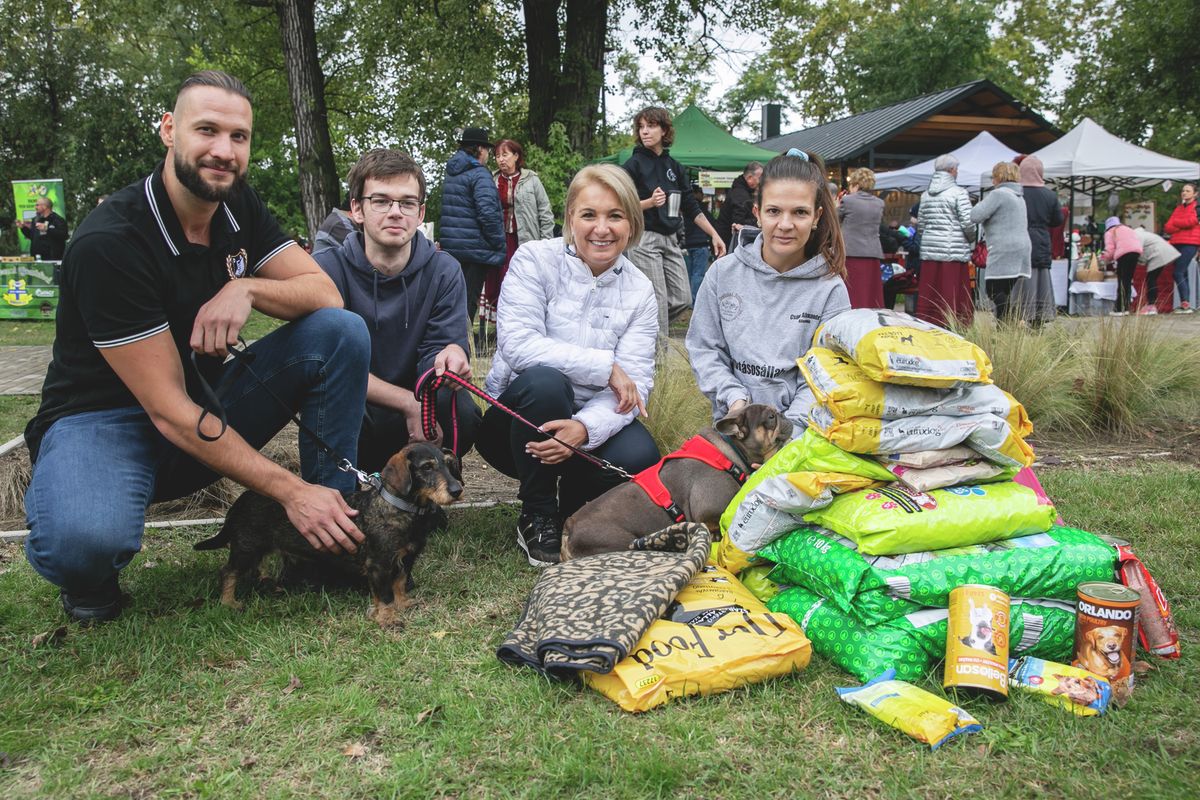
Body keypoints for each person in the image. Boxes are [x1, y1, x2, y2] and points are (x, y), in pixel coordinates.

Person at [22, 70, 371, 624]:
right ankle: (87, 579)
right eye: (206, 130)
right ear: (169, 130)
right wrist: (288, 489)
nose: (223, 151)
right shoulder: (110, 242)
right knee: (82, 541)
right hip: (104, 419)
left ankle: (326, 538)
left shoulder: (238, 207)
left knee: (340, 332)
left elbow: (326, 295)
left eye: (239, 137)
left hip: (204, 402)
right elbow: (168, 411)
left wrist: (247, 287)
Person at [475, 164, 660, 567]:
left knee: (641, 454)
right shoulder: (534, 260)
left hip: (584, 432)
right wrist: (606, 368)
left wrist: (585, 428)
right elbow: (519, 345)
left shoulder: (641, 291)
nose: (602, 228)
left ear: (632, 222)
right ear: (570, 218)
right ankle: (537, 511)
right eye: (589, 214)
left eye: (615, 215)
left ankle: (574, 510)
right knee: (545, 382)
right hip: (515, 424)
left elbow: (635, 388)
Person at [313, 149, 480, 471]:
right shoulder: (325, 269)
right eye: (381, 201)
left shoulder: (445, 270)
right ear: (357, 209)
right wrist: (405, 404)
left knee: (460, 403)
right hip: (356, 403)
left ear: (420, 214)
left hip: (420, 400)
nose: (395, 212)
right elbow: (327, 365)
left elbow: (441, 344)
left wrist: (450, 355)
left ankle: (430, 488)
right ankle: (342, 489)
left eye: (407, 203)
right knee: (329, 394)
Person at [686, 149, 851, 433]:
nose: (785, 225)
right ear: (757, 214)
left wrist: (784, 434)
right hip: (734, 425)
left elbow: (827, 373)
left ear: (816, 216)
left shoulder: (830, 289)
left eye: (799, 212)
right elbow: (705, 348)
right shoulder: (722, 274)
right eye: (774, 211)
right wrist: (735, 401)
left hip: (800, 433)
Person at [622, 107, 726, 336]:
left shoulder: (675, 167)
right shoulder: (633, 164)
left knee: (682, 298)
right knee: (657, 301)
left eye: (650, 126)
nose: (644, 132)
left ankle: (638, 326)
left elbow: (691, 207)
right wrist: (649, 202)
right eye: (641, 127)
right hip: (644, 239)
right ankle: (659, 366)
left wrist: (714, 235)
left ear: (664, 130)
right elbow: (619, 205)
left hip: (671, 240)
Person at [439, 126, 505, 324]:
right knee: (468, 301)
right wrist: (498, 243)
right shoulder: (479, 174)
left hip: (453, 248)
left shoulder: (453, 173)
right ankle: (462, 346)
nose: (487, 155)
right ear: (478, 149)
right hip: (476, 249)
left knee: (453, 299)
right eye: (486, 149)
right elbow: (488, 213)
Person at [484, 139, 554, 325]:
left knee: (525, 280)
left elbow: (545, 213)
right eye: (497, 156)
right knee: (501, 281)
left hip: (526, 240)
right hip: (499, 242)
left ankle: (524, 323)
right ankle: (501, 327)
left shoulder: (532, 180)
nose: (500, 159)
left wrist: (545, 244)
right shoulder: (491, 180)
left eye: (505, 155)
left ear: (516, 156)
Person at [916, 154, 976, 326]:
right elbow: (967, 222)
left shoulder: (926, 195)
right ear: (951, 170)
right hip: (953, 252)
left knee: (931, 293)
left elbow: (921, 225)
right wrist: (970, 240)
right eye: (956, 169)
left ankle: (928, 323)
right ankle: (955, 325)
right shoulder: (959, 193)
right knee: (953, 295)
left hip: (930, 251)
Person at [970, 162, 1031, 322]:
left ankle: (1005, 323)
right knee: (1006, 289)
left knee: (993, 289)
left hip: (1004, 247)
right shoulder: (1019, 196)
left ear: (999, 177)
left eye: (993, 176)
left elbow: (975, 215)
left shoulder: (999, 194)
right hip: (1022, 247)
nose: (992, 180)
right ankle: (1007, 323)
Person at [1017, 155, 1064, 324]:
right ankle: (1039, 316)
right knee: (1040, 279)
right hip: (1041, 239)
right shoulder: (1049, 195)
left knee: (1019, 278)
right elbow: (1058, 220)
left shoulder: (1016, 193)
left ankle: (1017, 314)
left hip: (1019, 237)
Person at [838, 167, 885, 308]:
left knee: (853, 293)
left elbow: (834, 219)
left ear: (856, 184)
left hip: (851, 252)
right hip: (872, 252)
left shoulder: (848, 201)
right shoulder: (879, 203)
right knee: (870, 293)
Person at [1163, 182, 1197, 313]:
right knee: (1183, 273)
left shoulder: (1197, 207)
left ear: (1195, 193)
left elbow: (1193, 221)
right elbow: (1168, 227)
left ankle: (1185, 303)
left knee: (1178, 272)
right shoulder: (1178, 208)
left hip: (1190, 243)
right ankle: (1186, 303)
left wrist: (1177, 223)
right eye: (1183, 190)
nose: (1184, 193)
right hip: (1176, 242)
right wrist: (1181, 225)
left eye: (1188, 191)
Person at [714, 161, 763, 248]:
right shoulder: (740, 194)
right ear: (750, 178)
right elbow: (739, 221)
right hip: (729, 241)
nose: (761, 182)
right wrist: (759, 221)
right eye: (760, 178)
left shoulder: (740, 190)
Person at [1101, 216, 1142, 315]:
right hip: (1136, 252)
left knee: (1122, 281)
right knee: (1128, 281)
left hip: (1124, 255)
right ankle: (1126, 308)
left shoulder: (1110, 232)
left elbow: (1110, 250)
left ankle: (1119, 309)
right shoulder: (1128, 229)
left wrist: (1103, 260)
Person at [1134, 227, 1180, 315]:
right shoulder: (1146, 234)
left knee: (1151, 279)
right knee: (1151, 278)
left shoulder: (1137, 236)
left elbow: (1138, 250)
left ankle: (1151, 305)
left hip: (1158, 255)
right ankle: (1151, 305)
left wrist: (1140, 262)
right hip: (1166, 253)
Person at [682, 185, 717, 300]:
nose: (702, 196)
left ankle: (688, 299)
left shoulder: (684, 207)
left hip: (686, 244)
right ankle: (695, 299)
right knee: (698, 274)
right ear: (696, 193)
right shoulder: (699, 208)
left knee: (688, 274)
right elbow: (712, 222)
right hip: (700, 244)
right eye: (701, 192)